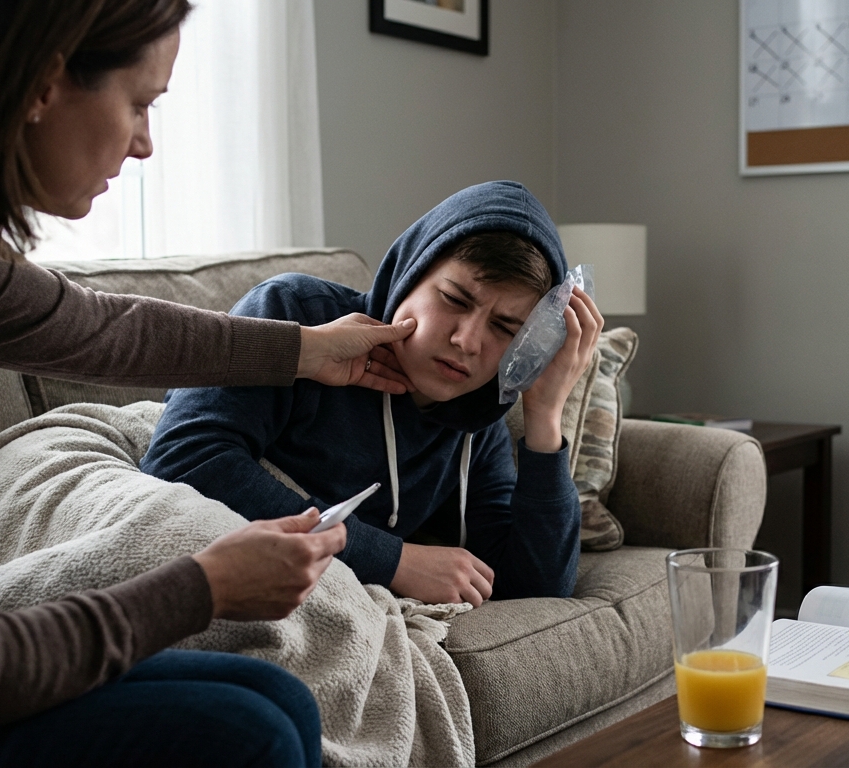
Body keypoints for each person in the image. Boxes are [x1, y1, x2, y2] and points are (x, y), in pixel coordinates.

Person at [0, 1, 416, 764]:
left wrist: (306, 350)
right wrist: (202, 588)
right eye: (141, 102)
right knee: (249, 734)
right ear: (43, 83)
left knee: (280, 700)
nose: (147, 144)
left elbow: (107, 329)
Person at [143, 182, 603, 606]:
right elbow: (182, 458)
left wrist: (545, 417)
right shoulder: (295, 314)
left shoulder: (475, 420)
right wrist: (393, 560)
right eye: (454, 299)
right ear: (410, 273)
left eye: (506, 328)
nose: (468, 340)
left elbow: (538, 589)